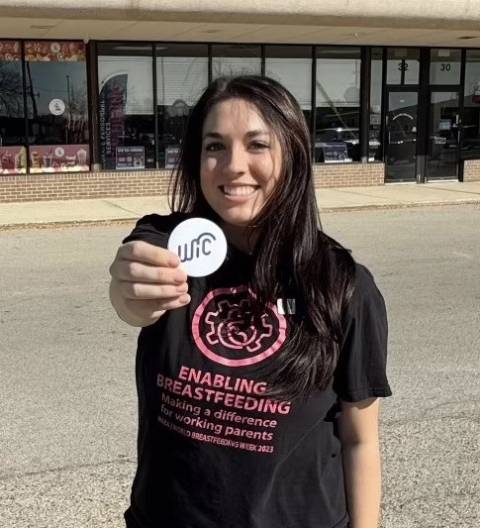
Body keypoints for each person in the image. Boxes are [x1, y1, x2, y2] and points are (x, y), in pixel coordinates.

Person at [108, 75, 392, 528]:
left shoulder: (343, 285)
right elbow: (133, 292)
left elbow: (360, 440)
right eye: (214, 146)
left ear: (293, 156)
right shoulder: (170, 247)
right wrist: (132, 294)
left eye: (257, 145)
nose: (233, 165)